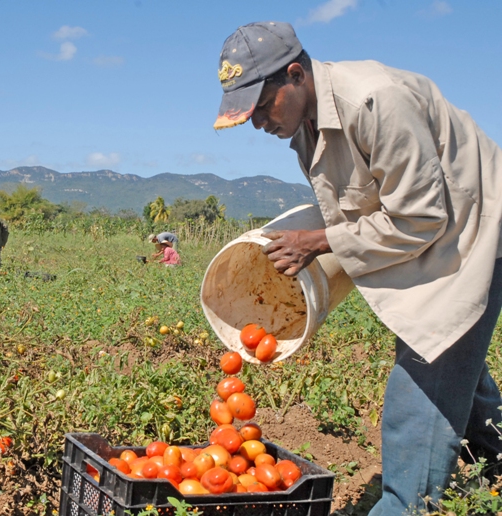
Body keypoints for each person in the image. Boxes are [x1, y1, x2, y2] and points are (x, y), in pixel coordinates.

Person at [213, 21, 502, 514]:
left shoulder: (375, 102)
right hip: (428, 238)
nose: (258, 123)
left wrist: (318, 242)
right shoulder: (305, 129)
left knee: (424, 380)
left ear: (296, 75)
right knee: (455, 363)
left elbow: (420, 216)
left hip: (471, 234)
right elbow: (354, 208)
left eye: (261, 106)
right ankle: (494, 468)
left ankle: (405, 503)